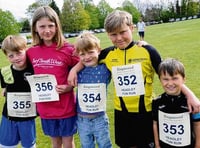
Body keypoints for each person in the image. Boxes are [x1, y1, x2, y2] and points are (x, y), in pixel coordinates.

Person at [68, 10, 200, 148]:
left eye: (123, 32)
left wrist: (189, 94)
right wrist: (74, 70)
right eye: (113, 34)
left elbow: (168, 76)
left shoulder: (148, 51)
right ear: (108, 34)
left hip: (145, 113)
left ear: (132, 28)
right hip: (122, 114)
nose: (119, 38)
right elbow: (89, 58)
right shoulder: (108, 54)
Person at [27, 6, 79, 148]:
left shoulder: (68, 49)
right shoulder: (31, 52)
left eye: (51, 25)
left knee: (68, 141)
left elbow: (87, 65)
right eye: (42, 26)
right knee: (55, 142)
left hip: (65, 106)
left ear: (57, 26)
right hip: (45, 108)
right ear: (35, 28)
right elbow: (19, 70)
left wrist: (70, 85)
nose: (47, 30)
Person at [74, 31, 112, 148]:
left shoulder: (105, 68)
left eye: (90, 52)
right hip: (82, 119)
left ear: (99, 51)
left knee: (105, 145)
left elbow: (117, 50)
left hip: (100, 118)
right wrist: (73, 70)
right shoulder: (77, 71)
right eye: (82, 54)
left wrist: (140, 44)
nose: (87, 57)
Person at [152, 58, 200, 148]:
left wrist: (198, 145)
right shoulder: (156, 102)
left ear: (184, 79)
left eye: (174, 78)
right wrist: (157, 145)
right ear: (160, 80)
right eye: (165, 79)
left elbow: (197, 124)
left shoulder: (191, 103)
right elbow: (155, 124)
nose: (170, 83)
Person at [0, 35, 37, 148]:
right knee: (5, 145)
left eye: (19, 53)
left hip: (27, 117)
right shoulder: (5, 72)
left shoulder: (34, 70)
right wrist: (6, 90)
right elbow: (5, 88)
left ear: (26, 50)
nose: (16, 58)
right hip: (9, 117)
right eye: (11, 55)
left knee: (29, 145)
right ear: (7, 57)